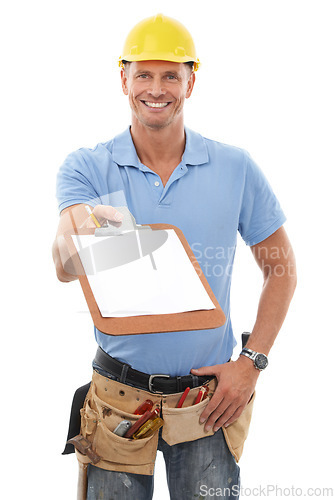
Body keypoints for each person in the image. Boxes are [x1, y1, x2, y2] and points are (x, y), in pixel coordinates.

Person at [52, 13, 297, 500]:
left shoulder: (235, 166)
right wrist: (101, 225)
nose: (156, 88)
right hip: (118, 402)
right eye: (144, 73)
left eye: (171, 74)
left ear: (191, 80)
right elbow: (64, 266)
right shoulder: (87, 166)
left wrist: (251, 363)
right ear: (124, 78)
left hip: (206, 403)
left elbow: (282, 270)